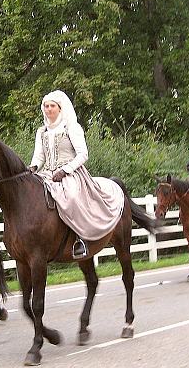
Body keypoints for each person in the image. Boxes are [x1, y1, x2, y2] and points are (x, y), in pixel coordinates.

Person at [29, 90, 124, 258]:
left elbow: (83, 154)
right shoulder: (41, 131)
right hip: (48, 174)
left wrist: (65, 170)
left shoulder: (71, 127)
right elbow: (39, 156)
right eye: (46, 106)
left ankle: (80, 240)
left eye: (52, 106)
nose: (48, 109)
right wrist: (33, 167)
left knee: (71, 198)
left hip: (70, 173)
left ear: (60, 108)